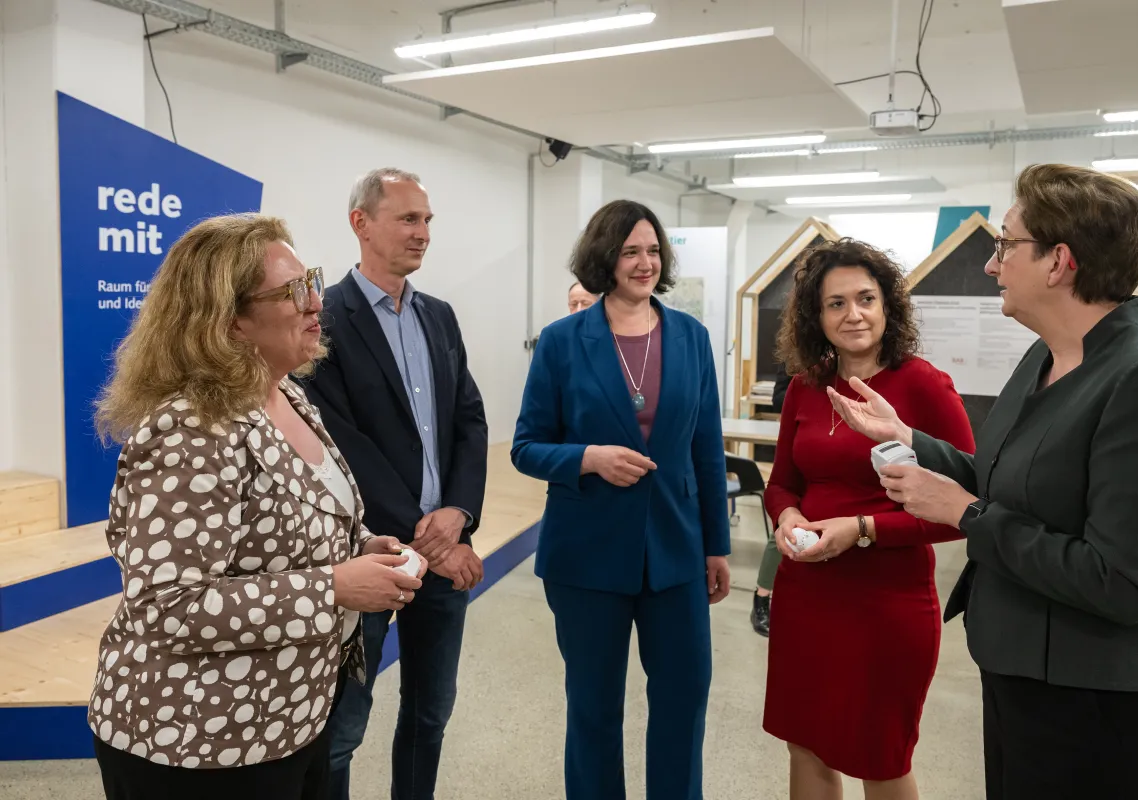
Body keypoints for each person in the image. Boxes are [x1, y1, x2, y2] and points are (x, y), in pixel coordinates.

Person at [829, 163, 1138, 800]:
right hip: (1026, 678)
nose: (992, 265)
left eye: (1006, 245)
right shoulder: (1047, 356)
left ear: (1058, 261)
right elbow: (1005, 482)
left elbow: (1121, 581)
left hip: (1107, 704)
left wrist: (965, 515)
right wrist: (906, 438)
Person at [89, 214, 424, 799]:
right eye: (293, 291)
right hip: (198, 742)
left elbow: (285, 526)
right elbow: (168, 606)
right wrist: (335, 587)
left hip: (290, 719)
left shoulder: (286, 392)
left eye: (311, 280)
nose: (316, 301)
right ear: (230, 319)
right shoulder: (190, 427)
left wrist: (359, 547)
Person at [511, 199, 731, 800]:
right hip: (586, 557)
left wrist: (717, 546)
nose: (644, 263)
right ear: (604, 257)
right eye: (631, 251)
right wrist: (587, 458)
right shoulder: (561, 342)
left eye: (653, 250)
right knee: (593, 710)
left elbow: (706, 449)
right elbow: (526, 446)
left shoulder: (690, 337)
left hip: (677, 552)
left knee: (684, 702)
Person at [761, 238, 975, 800]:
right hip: (807, 594)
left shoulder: (923, 386)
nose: (852, 314)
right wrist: (786, 517)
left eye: (865, 299)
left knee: (880, 755)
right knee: (804, 742)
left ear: (888, 307)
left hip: (886, 603)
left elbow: (966, 509)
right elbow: (782, 480)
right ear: (817, 315)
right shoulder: (806, 388)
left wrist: (861, 530)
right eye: (836, 303)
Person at [299, 167, 489, 800]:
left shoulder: (440, 317)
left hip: (445, 539)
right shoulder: (322, 319)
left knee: (430, 713)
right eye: (409, 218)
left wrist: (459, 511)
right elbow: (341, 444)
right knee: (344, 725)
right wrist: (430, 540)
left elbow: (469, 419)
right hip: (368, 554)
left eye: (427, 220)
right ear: (361, 224)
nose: (423, 232)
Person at [749, 374, 792, 637]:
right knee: (782, 527)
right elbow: (778, 399)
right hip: (799, 440)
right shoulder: (799, 356)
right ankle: (762, 598)